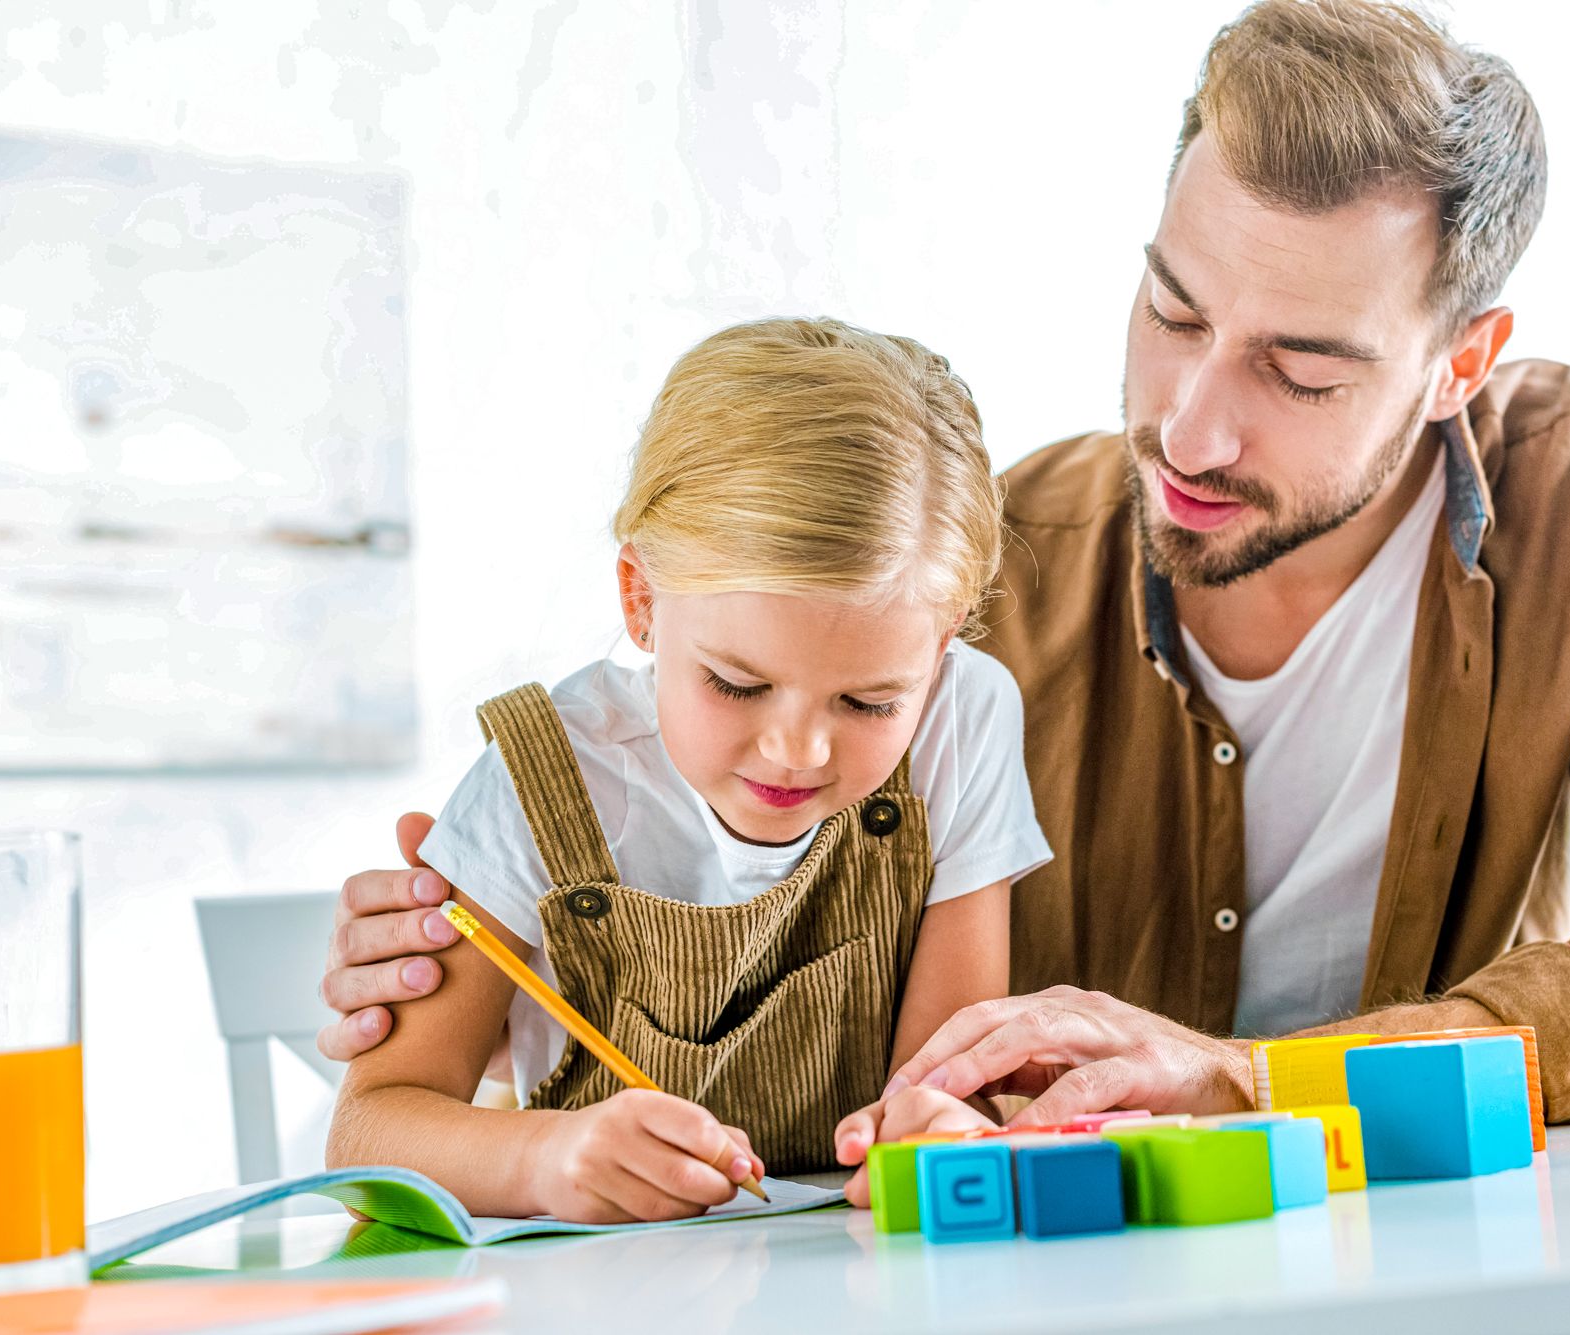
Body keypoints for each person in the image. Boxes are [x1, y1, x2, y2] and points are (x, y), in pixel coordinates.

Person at [320, 1, 1570, 1138]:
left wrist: (1270, 1082)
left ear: (1462, 361)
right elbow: (751, 866)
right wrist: (492, 927)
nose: (1188, 423)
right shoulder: (982, 564)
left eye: (1302, 372)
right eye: (1173, 310)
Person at [325, 318, 1049, 1222]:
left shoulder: (963, 716)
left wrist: (941, 1124)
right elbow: (369, 1135)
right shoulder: (543, 779)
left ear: (939, 649)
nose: (798, 751)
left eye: (869, 704)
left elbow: (947, 1085)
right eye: (737, 683)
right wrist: (545, 1159)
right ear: (641, 601)